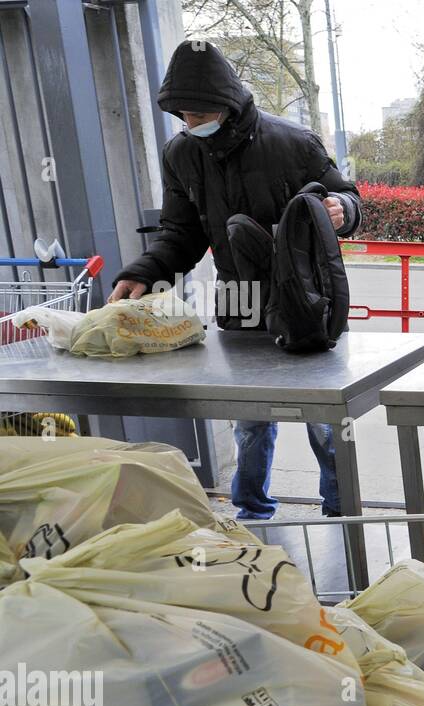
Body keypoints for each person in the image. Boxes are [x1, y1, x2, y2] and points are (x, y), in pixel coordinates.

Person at [108, 41, 361, 521]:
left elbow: (348, 197)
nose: (192, 122)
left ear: (228, 105)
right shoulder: (181, 154)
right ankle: (252, 513)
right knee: (249, 419)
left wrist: (341, 209)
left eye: (201, 112)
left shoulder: (294, 142)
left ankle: (341, 510)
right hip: (239, 298)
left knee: (325, 420)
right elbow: (180, 235)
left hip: (309, 298)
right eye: (184, 115)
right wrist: (144, 272)